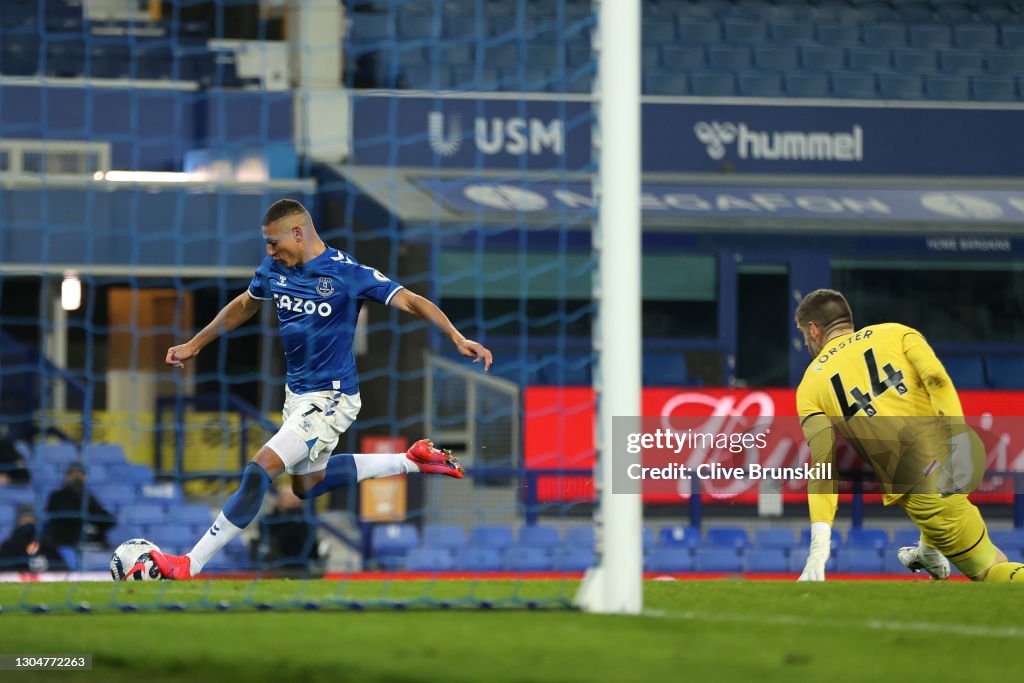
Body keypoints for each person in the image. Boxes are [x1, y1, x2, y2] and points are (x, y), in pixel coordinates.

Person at [150, 199, 493, 579]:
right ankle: (411, 461)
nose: (269, 251)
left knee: (257, 471)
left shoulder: (347, 273)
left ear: (298, 233)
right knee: (306, 487)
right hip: (296, 396)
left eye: (274, 242)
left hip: (332, 397)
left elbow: (410, 300)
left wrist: (456, 337)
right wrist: (194, 345)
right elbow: (245, 304)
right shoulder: (274, 269)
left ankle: (188, 563)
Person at [794, 288, 1023, 583]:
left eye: (802, 333)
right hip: (959, 454)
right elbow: (937, 381)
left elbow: (823, 466)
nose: (804, 340)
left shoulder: (810, 385)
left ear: (813, 329)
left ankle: (931, 548)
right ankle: (927, 550)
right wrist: (959, 440)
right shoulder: (897, 333)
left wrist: (818, 550)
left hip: (921, 483)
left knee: (990, 568)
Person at [44, 461, 116, 547]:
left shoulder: (88, 497)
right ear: (66, 477)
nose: (77, 477)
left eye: (80, 474)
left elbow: (104, 516)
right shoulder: (57, 496)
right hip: (67, 541)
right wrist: (88, 523)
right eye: (73, 474)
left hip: (91, 541)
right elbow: (66, 517)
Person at [259, 487, 321, 573]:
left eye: (295, 497)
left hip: (300, 564)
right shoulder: (267, 520)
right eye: (289, 497)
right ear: (279, 499)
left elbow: (310, 540)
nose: (293, 500)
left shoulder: (305, 519)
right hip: (274, 563)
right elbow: (272, 539)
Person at [0, 504, 67, 573]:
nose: (28, 523)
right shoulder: (10, 546)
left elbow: (62, 569)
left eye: (30, 519)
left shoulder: (46, 543)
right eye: (24, 520)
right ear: (18, 522)